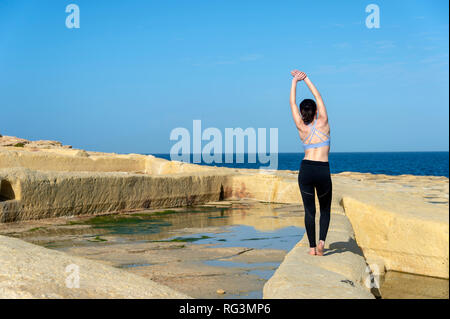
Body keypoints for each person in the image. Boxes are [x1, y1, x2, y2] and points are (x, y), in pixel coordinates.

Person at [289, 70, 332, 256]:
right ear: (316, 111)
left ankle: (312, 248)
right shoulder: (323, 122)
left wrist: (294, 82)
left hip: (306, 170)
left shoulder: (301, 126)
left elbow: (291, 102)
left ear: (302, 112)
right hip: (322, 169)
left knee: (309, 211)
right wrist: (305, 79)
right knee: (325, 209)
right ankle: (322, 242)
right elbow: (318, 95)